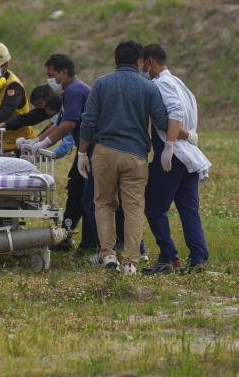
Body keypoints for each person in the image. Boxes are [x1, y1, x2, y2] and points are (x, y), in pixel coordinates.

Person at [78, 40, 169, 275]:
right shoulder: (149, 87)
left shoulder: (101, 83)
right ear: (139, 62)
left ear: (116, 60)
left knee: (104, 204)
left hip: (104, 152)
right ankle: (131, 261)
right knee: (134, 209)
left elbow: (88, 120)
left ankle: (108, 253)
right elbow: (162, 121)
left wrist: (81, 152)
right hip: (135, 155)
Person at [140, 44, 210, 276]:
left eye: (143, 64)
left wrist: (168, 146)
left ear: (150, 61)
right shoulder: (179, 82)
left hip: (173, 154)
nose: (143, 69)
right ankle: (198, 258)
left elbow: (175, 113)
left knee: (153, 207)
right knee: (189, 208)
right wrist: (187, 135)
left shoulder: (160, 84)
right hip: (188, 152)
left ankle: (168, 257)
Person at [29, 54, 93, 252]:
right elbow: (57, 123)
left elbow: (68, 124)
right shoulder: (69, 91)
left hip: (93, 150)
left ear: (63, 73)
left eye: (51, 74)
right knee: (76, 189)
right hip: (85, 149)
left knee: (87, 196)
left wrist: (44, 144)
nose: (49, 78)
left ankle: (91, 243)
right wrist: (36, 141)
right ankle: (66, 235)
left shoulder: (75, 90)